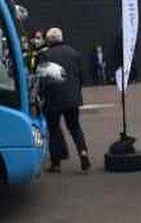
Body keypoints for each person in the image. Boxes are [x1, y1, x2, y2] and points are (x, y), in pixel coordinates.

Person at [37, 27, 90, 173]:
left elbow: (42, 78)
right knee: (75, 127)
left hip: (53, 98)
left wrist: (40, 95)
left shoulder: (44, 55)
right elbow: (81, 75)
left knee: (53, 129)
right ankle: (83, 152)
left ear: (48, 40)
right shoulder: (74, 52)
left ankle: (56, 163)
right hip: (72, 98)